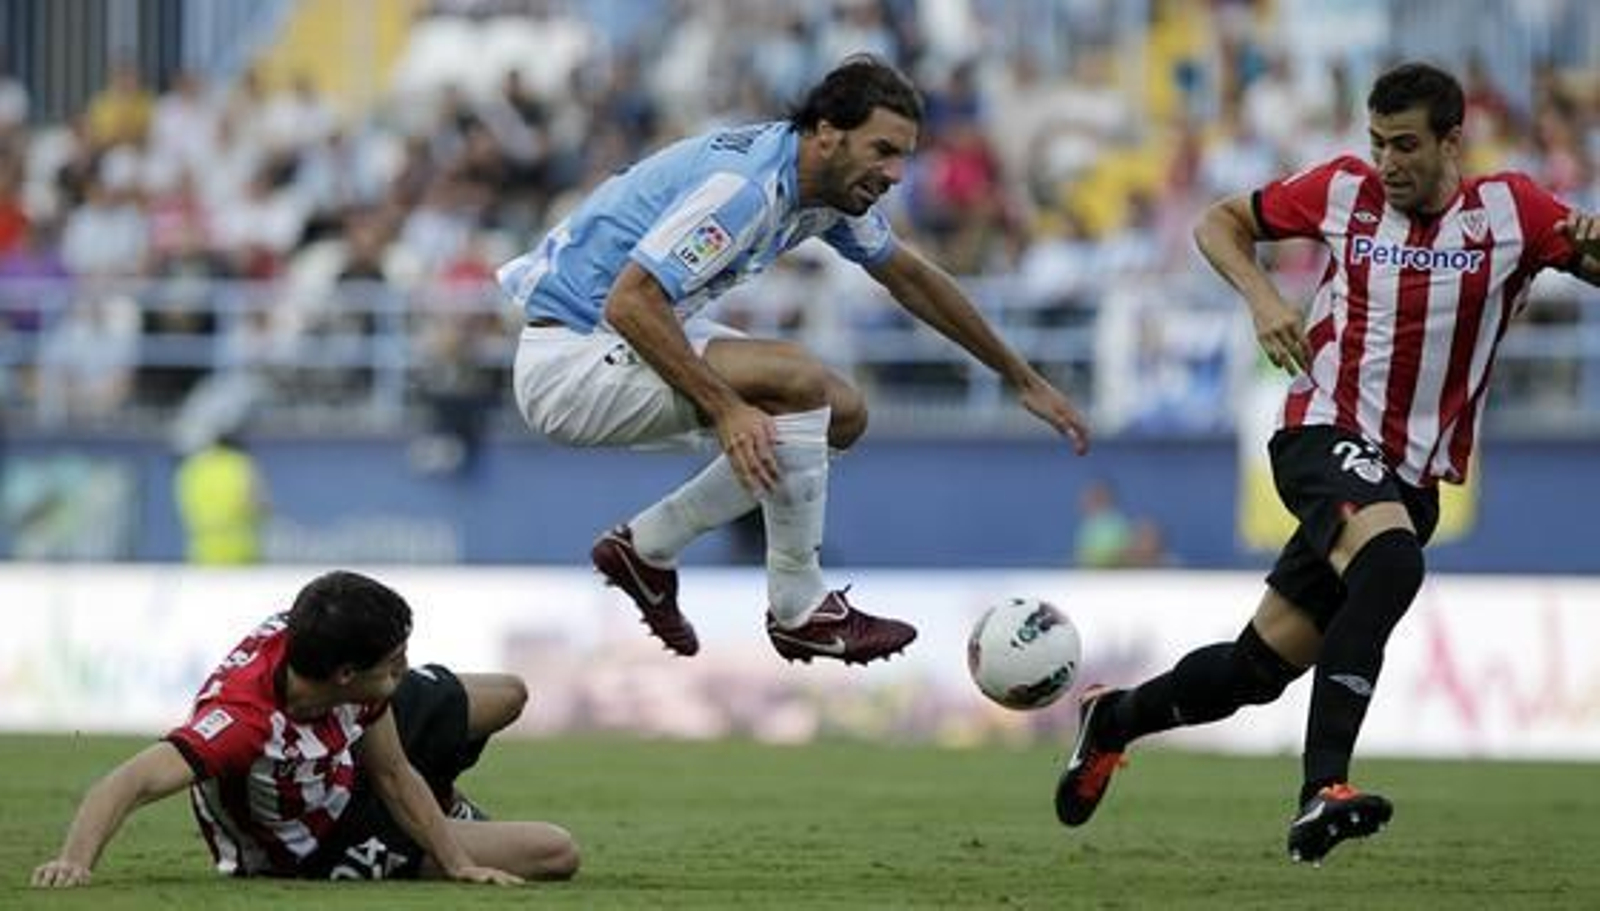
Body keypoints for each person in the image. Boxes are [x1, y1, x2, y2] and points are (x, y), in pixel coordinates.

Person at [1054, 61, 1600, 864]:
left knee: (1256, 667)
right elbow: (1218, 223)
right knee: (1389, 564)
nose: (1389, 162)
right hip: (1323, 432)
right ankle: (1322, 790)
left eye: (1407, 145)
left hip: (1409, 479)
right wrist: (1264, 296)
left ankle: (1115, 719)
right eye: (1378, 142)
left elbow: (1588, 259)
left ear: (1454, 141)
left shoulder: (1512, 211)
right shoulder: (1344, 191)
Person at [498, 55, 1089, 665]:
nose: (894, 174)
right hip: (572, 361)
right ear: (828, 132)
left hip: (616, 336)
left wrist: (1021, 377)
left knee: (842, 413)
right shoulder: (747, 189)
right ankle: (800, 607)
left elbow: (911, 278)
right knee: (799, 382)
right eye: (882, 150)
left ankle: (647, 548)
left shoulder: (823, 188)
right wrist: (726, 409)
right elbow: (630, 302)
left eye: (903, 157)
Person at [32, 570, 579, 887]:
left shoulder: (333, 662)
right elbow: (124, 783)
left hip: (344, 764)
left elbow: (390, 770)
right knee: (557, 853)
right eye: (393, 661)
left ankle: (442, 812)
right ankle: (431, 827)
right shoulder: (244, 724)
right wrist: (73, 863)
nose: (405, 668)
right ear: (345, 674)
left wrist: (459, 859)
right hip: (315, 840)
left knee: (508, 694)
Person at [174, 432, 268, 564]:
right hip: (240, 548)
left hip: (203, 548)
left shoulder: (192, 468)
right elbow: (257, 504)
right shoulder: (240, 464)